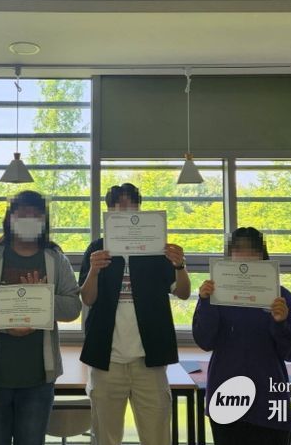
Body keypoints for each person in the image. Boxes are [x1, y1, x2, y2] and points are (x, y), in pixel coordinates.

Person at [0, 190, 81, 445]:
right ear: (10, 218)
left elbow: (73, 307)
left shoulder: (56, 259)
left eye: (35, 214)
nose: (29, 219)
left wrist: (43, 297)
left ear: (44, 221)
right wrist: (5, 326)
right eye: (22, 213)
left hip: (38, 380)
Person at [78, 183, 191, 445]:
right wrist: (94, 271)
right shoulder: (97, 249)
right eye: (118, 205)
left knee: (157, 437)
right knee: (105, 437)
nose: (125, 210)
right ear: (109, 212)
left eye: (131, 205)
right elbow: (87, 298)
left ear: (140, 209)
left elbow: (183, 293)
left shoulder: (157, 248)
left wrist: (180, 265)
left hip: (149, 361)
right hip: (106, 360)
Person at [192, 227, 291, 445]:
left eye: (252, 252)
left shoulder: (280, 297)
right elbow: (205, 341)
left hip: (268, 398)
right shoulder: (215, 294)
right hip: (226, 394)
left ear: (263, 258)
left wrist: (280, 323)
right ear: (228, 260)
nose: (245, 259)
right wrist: (205, 302)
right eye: (238, 251)